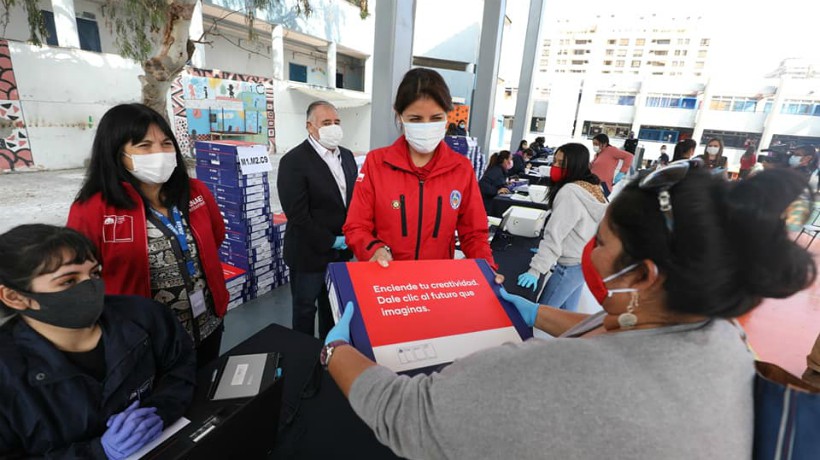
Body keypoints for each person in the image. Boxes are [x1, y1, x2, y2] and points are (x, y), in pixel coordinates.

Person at [322, 164, 816, 460]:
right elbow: (619, 331)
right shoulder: (722, 334)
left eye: (600, 241)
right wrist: (533, 312)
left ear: (644, 275)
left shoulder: (548, 379)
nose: (592, 253)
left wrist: (336, 350)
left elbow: (407, 415)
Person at [0, 225, 195, 459]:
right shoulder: (6, 372)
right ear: (16, 297)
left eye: (94, 273)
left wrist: (161, 410)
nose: (91, 287)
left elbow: (181, 368)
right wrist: (97, 453)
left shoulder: (145, 316)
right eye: (69, 281)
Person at [67, 103, 227, 368]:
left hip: (208, 323)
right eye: (144, 146)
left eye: (166, 143)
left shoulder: (195, 192)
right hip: (144, 339)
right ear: (117, 153)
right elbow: (78, 278)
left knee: (206, 395)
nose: (159, 153)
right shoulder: (93, 208)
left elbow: (216, 237)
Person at [343, 68, 499, 273]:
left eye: (435, 118)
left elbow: (474, 234)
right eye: (416, 119)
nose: (426, 126)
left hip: (435, 283)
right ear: (399, 116)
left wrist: (487, 269)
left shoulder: (460, 169)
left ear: (447, 116)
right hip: (387, 281)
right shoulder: (377, 163)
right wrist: (374, 249)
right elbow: (356, 227)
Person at [277, 100, 358, 340]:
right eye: (326, 123)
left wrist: (351, 236)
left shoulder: (347, 156)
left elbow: (352, 199)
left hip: (341, 254)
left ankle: (330, 354)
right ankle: (302, 359)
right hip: (308, 253)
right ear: (310, 126)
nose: (333, 127)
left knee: (332, 309)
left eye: (337, 122)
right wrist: (331, 240)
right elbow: (298, 215)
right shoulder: (294, 162)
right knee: (305, 309)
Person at [516, 143, 607, 313]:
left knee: (541, 314)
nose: (555, 167)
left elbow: (554, 235)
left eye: (562, 163)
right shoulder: (593, 187)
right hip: (586, 261)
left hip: (570, 265)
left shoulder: (570, 192)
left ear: (575, 165)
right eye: (555, 162)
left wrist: (536, 270)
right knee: (567, 313)